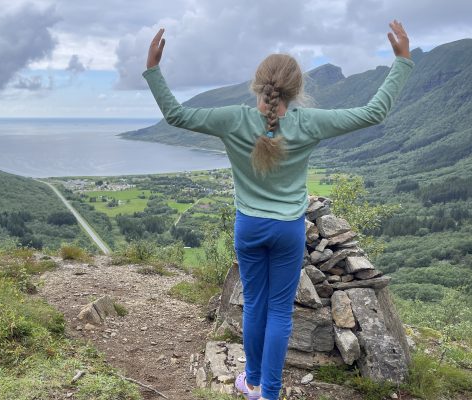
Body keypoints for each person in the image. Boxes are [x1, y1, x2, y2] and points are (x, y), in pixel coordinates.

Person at [143, 21, 413, 400]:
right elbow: (372, 113)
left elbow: (176, 115)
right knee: (280, 312)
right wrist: (402, 61)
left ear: (257, 86)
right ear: (296, 90)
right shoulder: (308, 123)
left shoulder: (232, 119)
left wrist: (153, 69)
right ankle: (268, 392)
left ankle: (251, 381)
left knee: (253, 303)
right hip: (287, 230)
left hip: (249, 227)